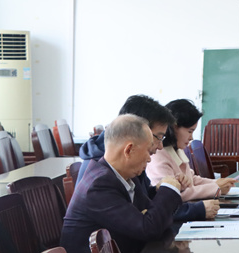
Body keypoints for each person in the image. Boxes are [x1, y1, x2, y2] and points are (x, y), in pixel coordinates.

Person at [62, 114, 182, 253]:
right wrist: (169, 189)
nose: (150, 158)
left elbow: (154, 220)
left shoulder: (125, 176)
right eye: (148, 151)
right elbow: (149, 228)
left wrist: (152, 213)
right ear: (129, 150)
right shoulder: (99, 185)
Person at [78, 94, 218, 221]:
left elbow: (145, 203)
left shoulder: (129, 161)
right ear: (138, 130)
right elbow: (142, 222)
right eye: (158, 137)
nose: (160, 146)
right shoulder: (104, 173)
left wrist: (162, 189)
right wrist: (193, 208)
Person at [146, 99, 236, 201]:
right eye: (190, 131)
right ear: (174, 127)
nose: (191, 137)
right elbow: (171, 194)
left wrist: (217, 183)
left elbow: (191, 179)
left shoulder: (176, 150)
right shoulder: (158, 155)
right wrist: (215, 188)